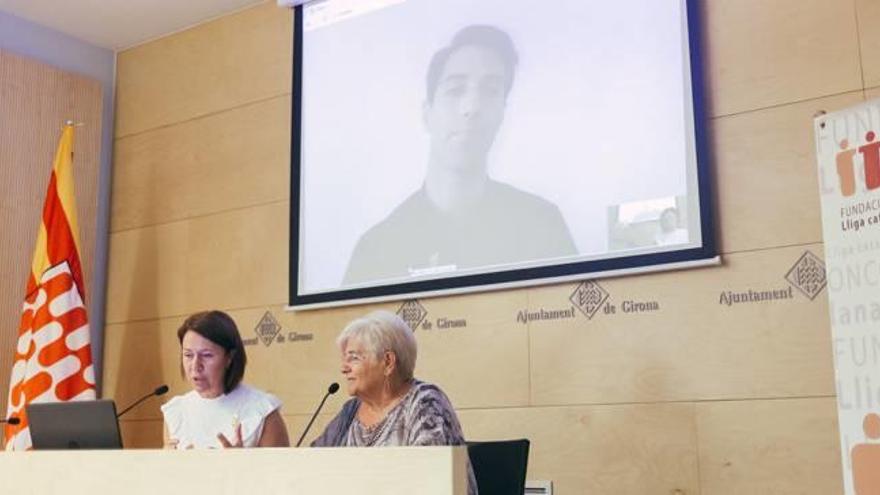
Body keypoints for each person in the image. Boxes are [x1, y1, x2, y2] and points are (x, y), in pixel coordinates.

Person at [344, 25, 576, 285]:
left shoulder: (542, 226)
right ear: (426, 113)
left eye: (490, 91)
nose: (472, 108)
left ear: (502, 112)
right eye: (455, 90)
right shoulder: (377, 248)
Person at [311, 310, 478, 495]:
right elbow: (311, 465)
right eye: (344, 359)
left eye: (353, 358)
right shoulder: (350, 411)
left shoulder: (425, 402)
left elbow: (426, 479)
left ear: (388, 362)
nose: (344, 368)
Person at [161, 310, 290, 449]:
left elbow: (284, 470)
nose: (195, 365)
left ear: (229, 357)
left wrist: (241, 464)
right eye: (188, 355)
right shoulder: (176, 411)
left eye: (207, 355)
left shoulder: (263, 411)